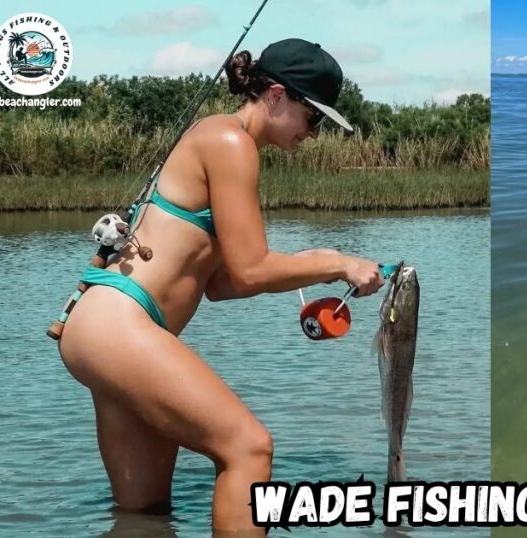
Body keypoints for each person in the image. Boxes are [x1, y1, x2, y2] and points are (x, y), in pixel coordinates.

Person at [58, 39, 385, 533]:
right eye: (312, 118)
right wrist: (336, 262)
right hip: (119, 326)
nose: (313, 133)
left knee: (143, 517)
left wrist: (307, 266)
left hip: (102, 331)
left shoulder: (218, 138)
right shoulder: (230, 142)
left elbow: (225, 285)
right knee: (249, 449)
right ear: (276, 95)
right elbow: (253, 269)